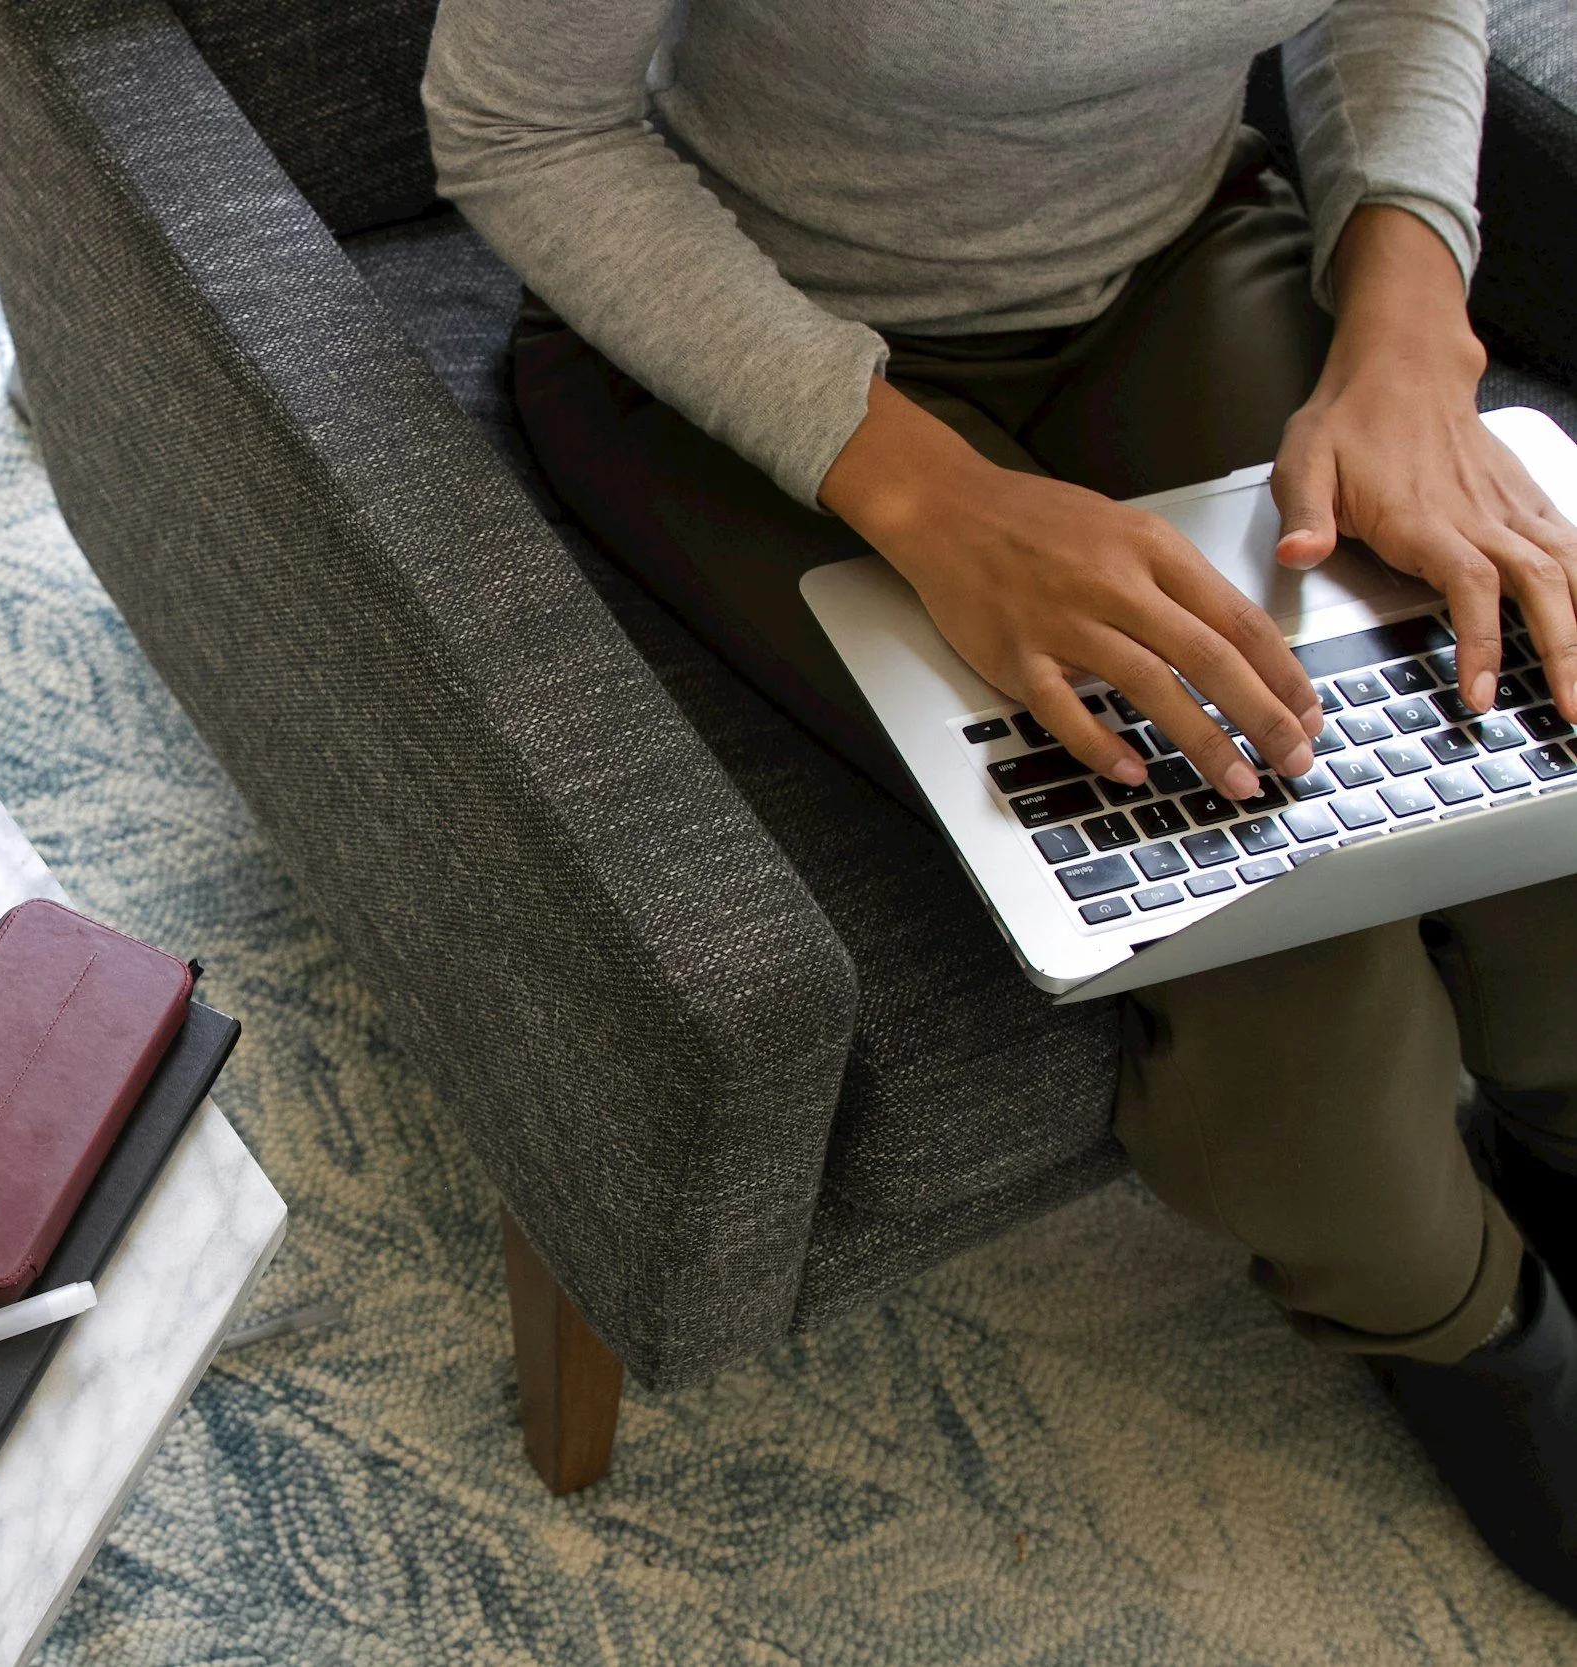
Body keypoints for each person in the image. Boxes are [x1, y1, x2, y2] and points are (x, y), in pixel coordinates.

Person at [423, 0, 1577, 1607]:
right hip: (754, 336)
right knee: (1285, 980)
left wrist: (1408, 328)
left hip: (1176, 254)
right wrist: (935, 501)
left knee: (1531, 742)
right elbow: (516, 124)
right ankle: (1474, 1334)